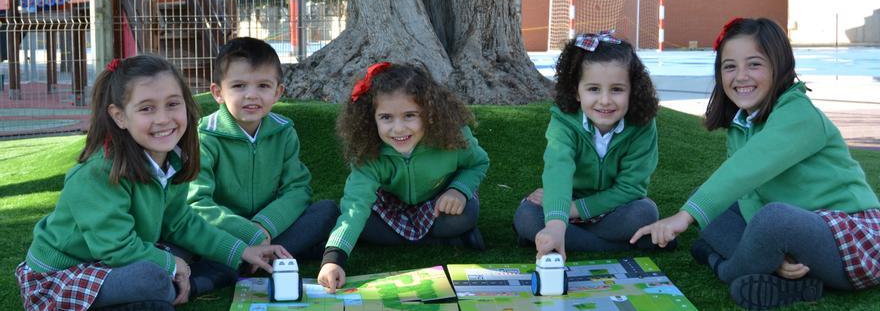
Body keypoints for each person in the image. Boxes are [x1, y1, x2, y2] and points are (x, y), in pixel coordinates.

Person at [631, 17, 880, 310]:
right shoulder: (743, 123)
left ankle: (723, 267)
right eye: (730, 67)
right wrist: (771, 253)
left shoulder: (798, 113)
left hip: (848, 238)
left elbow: (744, 171)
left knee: (773, 218)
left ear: (779, 65)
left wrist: (684, 217)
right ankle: (783, 277)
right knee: (715, 208)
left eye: (754, 64)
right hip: (796, 241)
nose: (741, 76)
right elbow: (748, 196)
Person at [14, 55, 289, 311]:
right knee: (153, 278)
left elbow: (180, 222)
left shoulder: (173, 159)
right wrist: (173, 265)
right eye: (147, 108)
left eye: (173, 104)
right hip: (65, 273)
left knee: (189, 252)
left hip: (120, 259)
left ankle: (179, 285)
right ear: (120, 116)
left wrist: (243, 251)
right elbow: (116, 248)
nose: (163, 119)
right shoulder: (97, 173)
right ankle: (177, 288)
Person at [317, 62, 490, 292]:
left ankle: (446, 233)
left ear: (429, 113)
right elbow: (355, 206)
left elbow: (478, 163)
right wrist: (333, 259)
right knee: (361, 222)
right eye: (386, 117)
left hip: (437, 204)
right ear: (371, 119)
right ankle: (447, 240)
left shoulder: (452, 136)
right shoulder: (369, 152)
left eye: (409, 115)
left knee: (465, 213)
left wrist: (458, 190)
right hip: (392, 207)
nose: (398, 128)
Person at [187, 37, 339, 289]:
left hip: (271, 229)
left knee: (327, 211)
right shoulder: (204, 137)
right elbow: (197, 203)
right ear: (218, 93)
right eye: (239, 86)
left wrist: (264, 226)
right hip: (225, 232)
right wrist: (251, 234)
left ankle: (254, 261)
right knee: (191, 236)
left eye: (263, 86)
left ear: (277, 92)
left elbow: (297, 189)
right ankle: (263, 257)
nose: (251, 95)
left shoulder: (284, 131)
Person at [513, 32, 662, 259]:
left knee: (645, 213)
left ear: (632, 90)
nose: (605, 100)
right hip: (567, 199)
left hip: (614, 207)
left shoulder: (642, 125)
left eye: (617, 89)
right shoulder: (564, 121)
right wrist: (556, 221)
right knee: (526, 216)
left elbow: (630, 188)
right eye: (593, 89)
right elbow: (558, 170)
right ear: (576, 91)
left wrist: (574, 210)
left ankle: (560, 239)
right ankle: (627, 244)